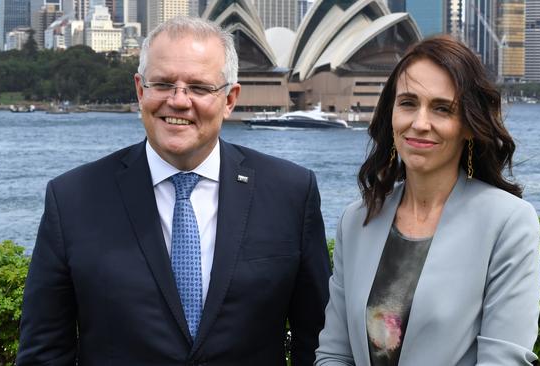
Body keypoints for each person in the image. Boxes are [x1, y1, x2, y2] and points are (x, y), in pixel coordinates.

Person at [17, 17, 331, 365]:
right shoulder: (73, 199)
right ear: (140, 90)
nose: (178, 101)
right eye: (163, 84)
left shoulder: (290, 193)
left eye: (198, 88)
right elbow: (43, 354)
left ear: (230, 99)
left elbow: (316, 342)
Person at [314, 35, 540, 365]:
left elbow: (503, 359)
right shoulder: (357, 221)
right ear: (391, 114)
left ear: (468, 125)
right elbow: (334, 353)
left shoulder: (507, 223)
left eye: (441, 108)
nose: (420, 124)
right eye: (408, 103)